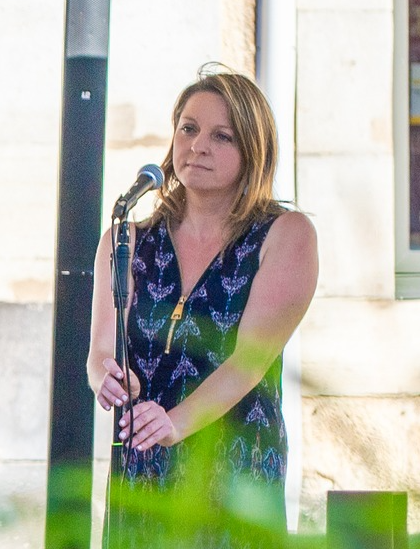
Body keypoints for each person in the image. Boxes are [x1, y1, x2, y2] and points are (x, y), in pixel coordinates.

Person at [87, 67, 319, 547]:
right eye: (188, 128)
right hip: (143, 460)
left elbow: (249, 362)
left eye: (222, 136)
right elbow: (100, 351)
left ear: (253, 152)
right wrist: (105, 377)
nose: (198, 145)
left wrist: (176, 422)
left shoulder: (286, 235)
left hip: (235, 467)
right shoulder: (127, 237)